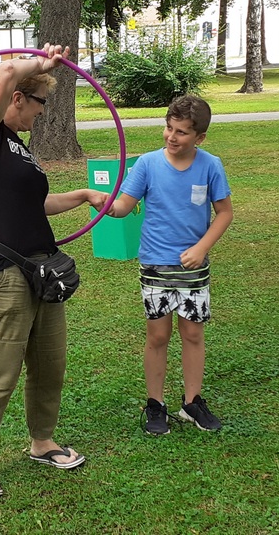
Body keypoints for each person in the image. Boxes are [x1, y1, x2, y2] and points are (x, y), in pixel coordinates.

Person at [0, 43, 108, 497]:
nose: (41, 115)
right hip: (3, 274)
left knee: (49, 363)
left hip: (43, 270)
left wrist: (82, 195)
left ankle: (42, 442)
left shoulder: (16, 148)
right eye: (40, 103)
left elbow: (33, 205)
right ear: (19, 98)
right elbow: (4, 70)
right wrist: (41, 63)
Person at [107, 95, 233, 436]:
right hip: (156, 265)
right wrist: (104, 204)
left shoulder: (210, 166)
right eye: (168, 128)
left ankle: (192, 403)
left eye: (181, 132)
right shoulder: (147, 164)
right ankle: (155, 404)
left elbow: (225, 213)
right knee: (158, 335)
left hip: (193, 268)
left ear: (199, 138)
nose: (172, 137)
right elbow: (123, 206)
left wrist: (202, 246)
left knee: (192, 333)